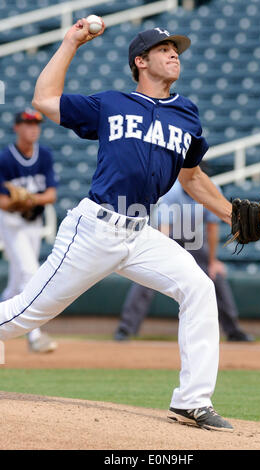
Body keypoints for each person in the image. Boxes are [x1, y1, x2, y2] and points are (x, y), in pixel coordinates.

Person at [0, 20, 237, 432]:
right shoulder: (111, 103)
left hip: (141, 233)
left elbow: (192, 176)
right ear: (140, 62)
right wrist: (72, 41)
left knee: (199, 288)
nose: (174, 53)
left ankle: (192, 401)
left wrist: (233, 214)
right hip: (95, 229)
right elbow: (44, 99)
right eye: (164, 49)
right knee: (24, 317)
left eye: (175, 48)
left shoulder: (187, 114)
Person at [115, 180, 255, 342]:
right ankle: (125, 329)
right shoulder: (172, 191)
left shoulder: (212, 189)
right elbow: (164, 229)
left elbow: (212, 227)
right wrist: (160, 257)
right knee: (145, 278)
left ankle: (233, 331)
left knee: (215, 277)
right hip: (169, 237)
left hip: (194, 240)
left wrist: (212, 261)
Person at [0, 109, 58, 353]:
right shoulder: (5, 159)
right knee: (30, 272)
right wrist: (16, 201)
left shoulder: (44, 155)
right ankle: (34, 336)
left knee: (15, 284)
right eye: (27, 123)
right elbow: (2, 202)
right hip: (11, 223)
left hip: (33, 223)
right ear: (16, 128)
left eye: (36, 124)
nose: (32, 128)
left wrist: (29, 199)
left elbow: (52, 195)